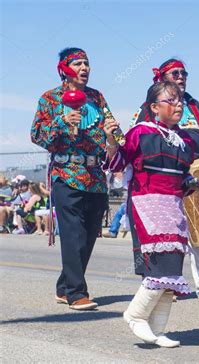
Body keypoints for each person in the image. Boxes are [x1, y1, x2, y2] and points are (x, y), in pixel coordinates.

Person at [104, 81, 199, 347]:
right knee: (159, 265)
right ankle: (135, 315)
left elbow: (181, 181)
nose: (178, 106)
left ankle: (157, 329)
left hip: (173, 208)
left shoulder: (186, 141)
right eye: (170, 101)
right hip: (146, 204)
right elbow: (117, 164)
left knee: (173, 268)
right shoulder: (140, 132)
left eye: (180, 102)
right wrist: (110, 141)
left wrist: (198, 183)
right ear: (154, 107)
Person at [130, 59, 199, 303]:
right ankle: (163, 282)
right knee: (164, 235)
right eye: (176, 73)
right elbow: (134, 147)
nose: (182, 76)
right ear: (162, 77)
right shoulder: (148, 109)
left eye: (184, 72)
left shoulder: (194, 105)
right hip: (162, 181)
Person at [31, 47, 112, 310]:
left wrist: (115, 136)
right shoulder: (50, 99)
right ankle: (77, 293)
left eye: (87, 63)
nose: (84, 68)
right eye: (78, 63)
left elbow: (110, 128)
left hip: (96, 176)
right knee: (73, 234)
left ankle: (64, 286)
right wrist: (62, 121)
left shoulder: (97, 97)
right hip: (67, 174)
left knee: (88, 237)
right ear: (64, 69)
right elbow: (37, 135)